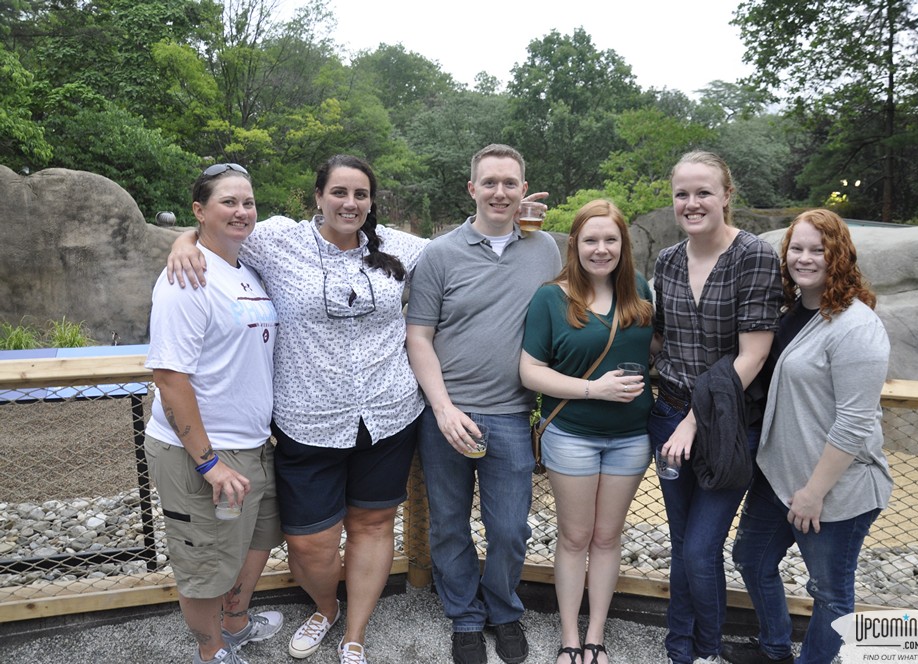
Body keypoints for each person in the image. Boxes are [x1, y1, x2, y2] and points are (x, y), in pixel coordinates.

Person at [167, 155, 428, 664]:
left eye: (361, 194)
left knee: (374, 525)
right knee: (309, 543)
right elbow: (218, 231)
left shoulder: (397, 245)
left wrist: (506, 216)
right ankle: (325, 608)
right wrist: (181, 241)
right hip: (307, 419)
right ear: (318, 196)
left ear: (371, 202)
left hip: (389, 413)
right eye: (339, 192)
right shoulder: (277, 239)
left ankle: (355, 632)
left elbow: (460, 249)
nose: (350, 203)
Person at [405, 143, 562, 664]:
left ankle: (502, 607)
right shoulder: (440, 254)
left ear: (524, 191)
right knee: (448, 522)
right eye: (489, 182)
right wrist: (444, 408)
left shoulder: (545, 251)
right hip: (446, 414)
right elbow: (419, 336)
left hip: (513, 415)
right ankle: (465, 615)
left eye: (510, 183)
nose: (499, 191)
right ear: (471, 188)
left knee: (511, 527)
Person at [722, 210, 892, 664]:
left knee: (830, 591)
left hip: (834, 491)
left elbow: (855, 422)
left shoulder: (856, 326)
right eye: (797, 247)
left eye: (818, 249)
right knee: (752, 560)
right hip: (777, 475)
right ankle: (774, 648)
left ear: (840, 255)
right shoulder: (790, 312)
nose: (805, 257)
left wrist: (814, 492)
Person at [145, 163, 283, 664]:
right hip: (201, 452)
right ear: (200, 211)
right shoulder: (186, 277)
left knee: (256, 539)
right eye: (228, 202)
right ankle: (212, 651)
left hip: (253, 444)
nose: (242, 211)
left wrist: (186, 236)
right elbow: (169, 378)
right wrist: (207, 462)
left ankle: (237, 623)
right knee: (204, 560)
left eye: (248, 202)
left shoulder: (245, 267)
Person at [648, 150, 782, 664]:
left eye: (703, 192)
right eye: (682, 193)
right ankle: (680, 647)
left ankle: (706, 650)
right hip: (668, 414)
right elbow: (661, 342)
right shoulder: (668, 261)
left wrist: (693, 422)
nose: (692, 202)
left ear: (727, 196)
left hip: (726, 427)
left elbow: (753, 355)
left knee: (703, 548)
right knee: (683, 545)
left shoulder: (754, 255)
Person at [519, 199, 656, 664]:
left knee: (607, 537)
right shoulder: (551, 298)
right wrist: (592, 389)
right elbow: (530, 371)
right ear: (575, 245)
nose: (601, 249)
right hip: (573, 434)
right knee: (574, 537)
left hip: (632, 437)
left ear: (624, 244)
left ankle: (596, 632)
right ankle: (569, 636)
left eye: (611, 240)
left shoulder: (639, 291)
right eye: (591, 240)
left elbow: (656, 346)